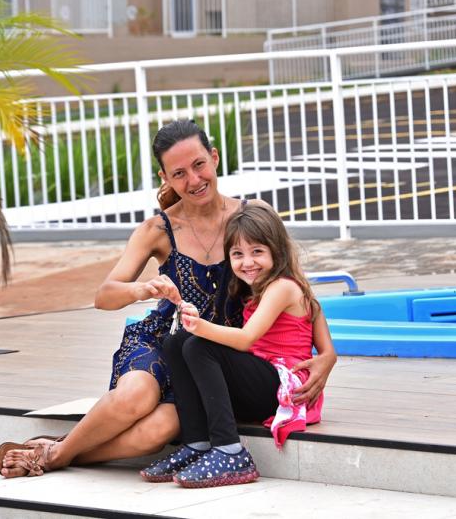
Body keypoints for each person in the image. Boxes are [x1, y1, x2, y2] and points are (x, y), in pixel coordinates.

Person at [0, 119, 337, 477]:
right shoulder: (156, 229)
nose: (193, 180)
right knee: (135, 397)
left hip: (219, 353)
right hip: (167, 339)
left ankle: (58, 452)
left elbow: (294, 282)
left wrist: (328, 354)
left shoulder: (251, 216)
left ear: (214, 158)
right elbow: (104, 296)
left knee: (160, 430)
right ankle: (56, 453)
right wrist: (143, 288)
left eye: (199, 165)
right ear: (165, 178)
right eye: (179, 173)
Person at [140, 204, 327, 489]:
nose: (247, 262)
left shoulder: (283, 287)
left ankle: (231, 451)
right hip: (263, 383)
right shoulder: (257, 289)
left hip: (285, 389)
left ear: (276, 250)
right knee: (176, 342)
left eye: (257, 252)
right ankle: (198, 442)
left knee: (199, 346)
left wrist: (200, 326)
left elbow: (246, 338)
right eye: (238, 254)